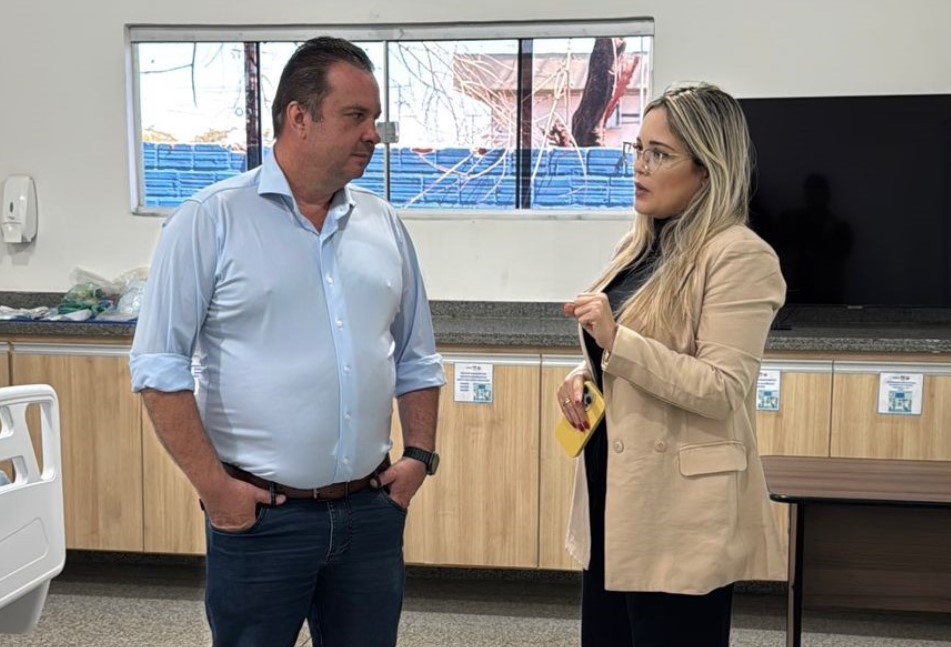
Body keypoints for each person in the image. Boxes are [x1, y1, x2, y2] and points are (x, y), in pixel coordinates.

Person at [130, 36, 445, 647]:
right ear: (300, 117)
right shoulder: (210, 218)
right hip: (260, 518)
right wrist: (216, 491)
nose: (373, 135)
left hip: (370, 513)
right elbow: (158, 367)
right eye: (355, 116)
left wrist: (419, 458)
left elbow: (416, 356)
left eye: (375, 118)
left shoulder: (383, 224)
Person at [557, 82, 786, 647]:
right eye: (638, 149)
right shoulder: (637, 247)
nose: (640, 165)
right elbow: (632, 356)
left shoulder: (740, 255)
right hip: (615, 490)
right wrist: (584, 375)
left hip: (679, 512)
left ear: (706, 170)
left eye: (659, 154)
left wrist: (616, 341)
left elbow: (722, 387)